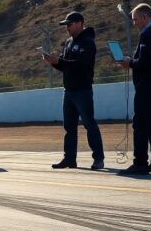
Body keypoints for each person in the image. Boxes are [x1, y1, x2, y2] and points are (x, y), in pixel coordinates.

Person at [43, 11, 105, 170]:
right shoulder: (69, 42)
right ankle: (69, 158)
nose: (67, 28)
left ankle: (98, 158)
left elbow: (81, 64)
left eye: (69, 24)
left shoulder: (88, 42)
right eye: (65, 25)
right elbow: (65, 67)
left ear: (79, 23)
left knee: (89, 124)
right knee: (69, 127)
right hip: (69, 91)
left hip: (82, 90)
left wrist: (61, 61)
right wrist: (53, 62)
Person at [115, 3, 151, 175]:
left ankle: (140, 162)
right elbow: (147, 60)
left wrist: (129, 63)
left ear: (145, 17)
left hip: (148, 87)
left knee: (141, 124)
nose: (134, 23)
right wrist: (133, 61)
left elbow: (145, 62)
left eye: (136, 19)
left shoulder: (149, 34)